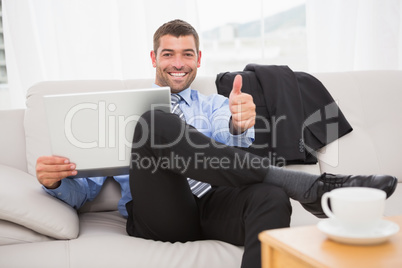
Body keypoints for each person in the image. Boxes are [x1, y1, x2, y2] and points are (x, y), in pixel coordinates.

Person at [36, 19, 397, 268]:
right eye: (168, 54)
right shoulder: (119, 112)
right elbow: (82, 190)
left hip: (214, 202)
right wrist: (54, 179)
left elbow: (235, 135)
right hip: (161, 213)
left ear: (198, 60)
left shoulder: (214, 105)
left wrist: (242, 123)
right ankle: (306, 186)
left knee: (269, 197)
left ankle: (297, 188)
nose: (178, 63)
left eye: (187, 54)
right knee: (153, 121)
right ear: (154, 59)